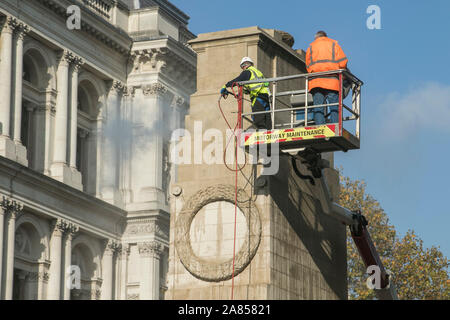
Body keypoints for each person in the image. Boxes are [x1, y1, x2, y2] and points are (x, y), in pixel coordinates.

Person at [304, 31, 348, 125]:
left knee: (318, 107)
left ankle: (320, 127)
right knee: (334, 106)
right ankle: (335, 126)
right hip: (332, 81)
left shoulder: (311, 47)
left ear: (316, 37)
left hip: (316, 81)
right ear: (326, 36)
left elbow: (308, 66)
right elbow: (343, 62)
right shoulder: (333, 44)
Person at [220, 57, 272, 130]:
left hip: (257, 96)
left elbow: (237, 80)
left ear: (244, 65)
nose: (243, 69)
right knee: (267, 119)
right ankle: (268, 134)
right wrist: (245, 91)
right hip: (265, 97)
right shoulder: (258, 72)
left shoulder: (248, 72)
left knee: (258, 119)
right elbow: (257, 84)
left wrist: (226, 85)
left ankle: (262, 134)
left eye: (242, 67)